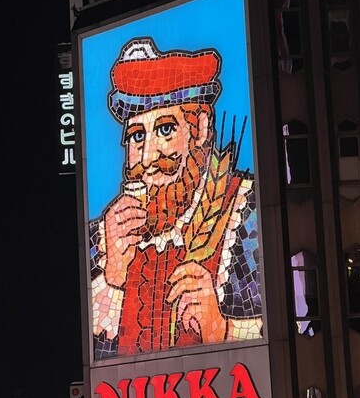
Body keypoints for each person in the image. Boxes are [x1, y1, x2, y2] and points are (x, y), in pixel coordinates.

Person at [89, 38, 262, 358]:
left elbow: (293, 327)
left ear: (200, 128)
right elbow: (85, 357)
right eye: (137, 136)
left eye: (166, 130)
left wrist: (222, 328)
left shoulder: (248, 212)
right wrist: (112, 278)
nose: (147, 157)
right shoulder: (100, 237)